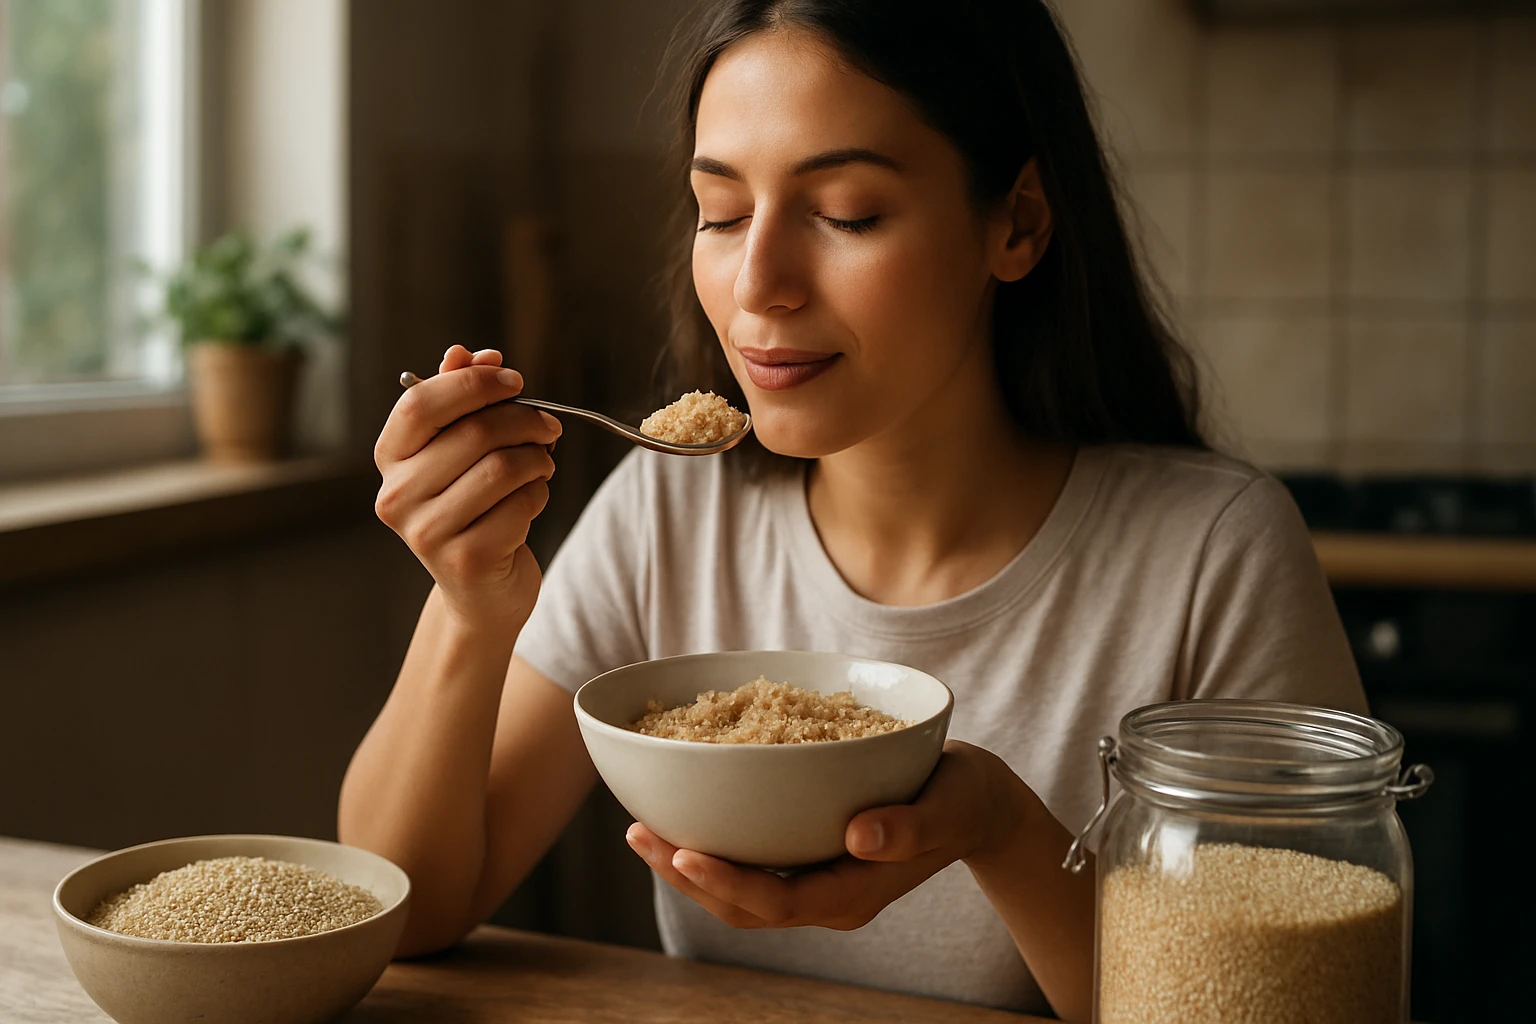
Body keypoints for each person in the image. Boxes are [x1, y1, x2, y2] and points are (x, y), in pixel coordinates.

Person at [338, 1, 1366, 1018]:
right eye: (721, 213)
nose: (758, 284)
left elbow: (1270, 1006)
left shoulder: (1212, 555)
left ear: (1017, 222)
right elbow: (402, 912)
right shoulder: (672, 511)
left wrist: (999, 832)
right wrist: (471, 607)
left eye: (847, 214)